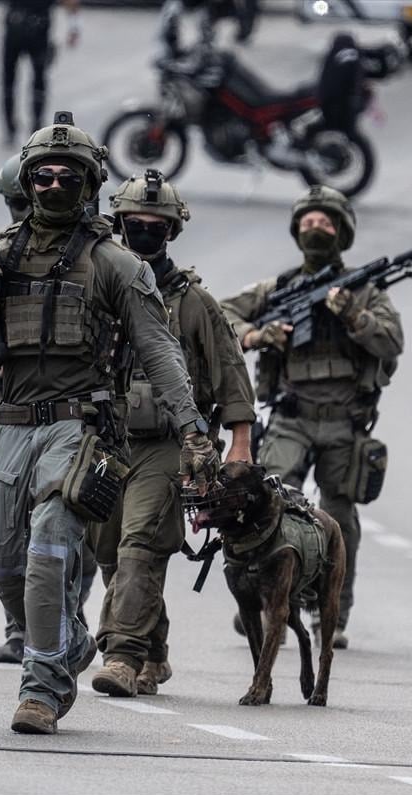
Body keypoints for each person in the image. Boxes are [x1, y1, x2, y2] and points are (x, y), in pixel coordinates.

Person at [0, 114, 220, 735]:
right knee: (4, 560)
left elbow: (160, 351)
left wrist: (193, 431)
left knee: (49, 544)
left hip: (80, 427)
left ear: (90, 184)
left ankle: (41, 690)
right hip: (9, 427)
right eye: (43, 176)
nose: (54, 186)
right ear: (28, 181)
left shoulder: (113, 263)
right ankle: (65, 639)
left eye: (68, 177)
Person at [89, 170, 256, 698]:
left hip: (168, 444)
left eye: (155, 226)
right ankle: (153, 651)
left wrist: (239, 444)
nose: (144, 232)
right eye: (134, 224)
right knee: (108, 549)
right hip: (106, 439)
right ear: (118, 224)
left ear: (171, 232)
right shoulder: (99, 285)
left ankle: (121, 655)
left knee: (141, 541)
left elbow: (231, 374)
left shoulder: (193, 302)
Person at [221, 185, 403, 651]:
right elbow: (219, 316)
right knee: (271, 504)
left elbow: (391, 341)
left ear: (342, 232)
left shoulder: (364, 291)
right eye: (308, 221)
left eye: (325, 222)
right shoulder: (277, 289)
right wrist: (258, 334)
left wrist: (354, 315)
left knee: (339, 517)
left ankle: (330, 613)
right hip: (291, 416)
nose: (315, 228)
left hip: (345, 422)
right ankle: (268, 602)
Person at [0, 153, 97, 666]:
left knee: (63, 520)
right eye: (17, 201)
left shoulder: (91, 253)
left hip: (72, 413)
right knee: (1, 530)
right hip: (3, 406)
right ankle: (25, 624)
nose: (27, 208)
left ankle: (62, 623)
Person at [0, 0, 81, 144]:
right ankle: (29, 127)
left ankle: (18, 127)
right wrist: (74, 26)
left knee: (15, 81)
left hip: (22, 26)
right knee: (33, 80)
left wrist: (74, 27)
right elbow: (70, 3)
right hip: (33, 27)